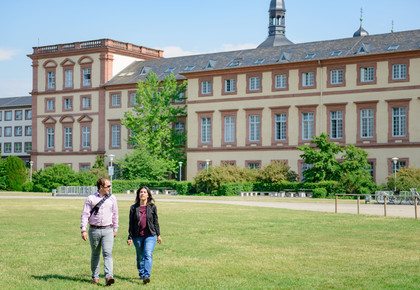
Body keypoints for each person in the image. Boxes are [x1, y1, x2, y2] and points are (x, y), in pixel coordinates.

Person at [81, 177, 119, 286]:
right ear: (101, 187)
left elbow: (115, 214)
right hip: (94, 230)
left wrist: (115, 229)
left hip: (108, 229)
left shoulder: (112, 198)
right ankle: (95, 277)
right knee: (95, 254)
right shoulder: (91, 198)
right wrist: (83, 229)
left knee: (108, 253)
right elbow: (85, 215)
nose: (110, 188)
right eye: (108, 186)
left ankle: (108, 276)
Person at [127, 186, 162, 284]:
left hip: (150, 235)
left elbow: (156, 222)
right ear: (138, 194)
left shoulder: (152, 207)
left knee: (148, 254)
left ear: (148, 195)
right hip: (137, 235)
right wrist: (129, 236)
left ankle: (147, 275)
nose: (142, 193)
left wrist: (158, 235)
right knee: (140, 256)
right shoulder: (133, 208)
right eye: (141, 192)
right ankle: (141, 273)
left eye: (144, 192)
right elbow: (131, 223)